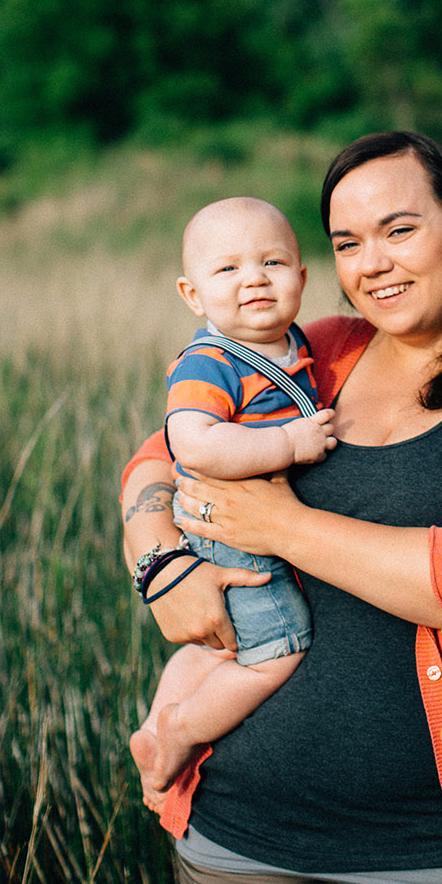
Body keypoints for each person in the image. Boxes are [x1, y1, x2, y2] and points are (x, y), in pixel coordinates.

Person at [119, 132, 442, 884]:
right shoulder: (316, 353)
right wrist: (161, 562)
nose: (372, 262)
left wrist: (279, 527)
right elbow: (158, 457)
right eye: (348, 241)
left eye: (400, 229)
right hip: (244, 840)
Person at [129, 197, 338, 800]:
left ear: (301, 279)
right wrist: (290, 442)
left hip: (245, 529)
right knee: (277, 648)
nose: (254, 278)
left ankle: (154, 723)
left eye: (273, 262)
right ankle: (178, 730)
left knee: (217, 648)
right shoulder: (209, 363)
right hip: (233, 535)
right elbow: (190, 445)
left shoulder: (294, 346)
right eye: (228, 269)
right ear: (192, 295)